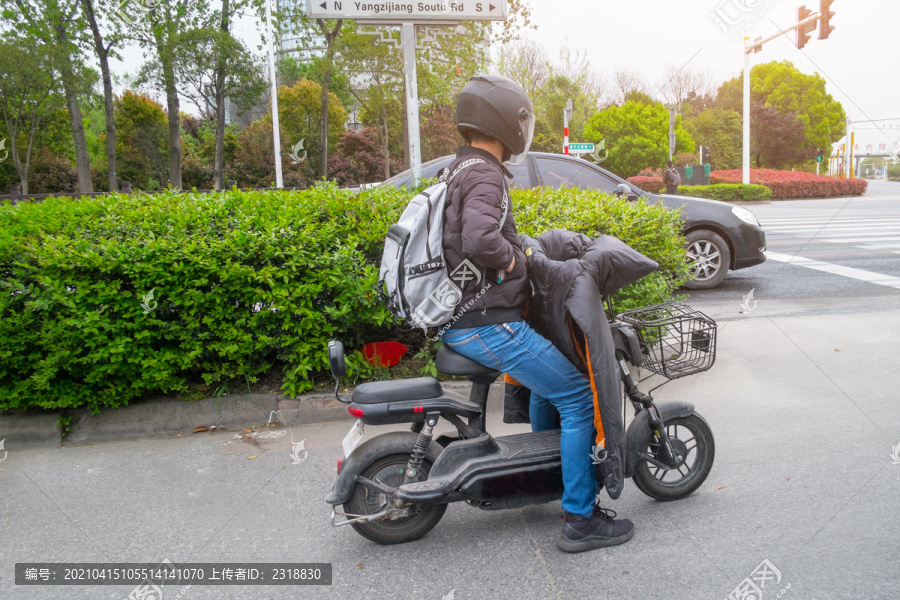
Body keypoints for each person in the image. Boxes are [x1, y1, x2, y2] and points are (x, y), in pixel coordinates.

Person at [438, 74, 634, 553]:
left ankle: (554, 471)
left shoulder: (459, 168)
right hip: (487, 324)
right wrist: (513, 260)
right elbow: (480, 238)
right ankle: (580, 519)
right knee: (579, 397)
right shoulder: (485, 172)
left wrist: (521, 249)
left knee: (559, 377)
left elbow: (474, 233)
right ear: (508, 120)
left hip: (468, 316)